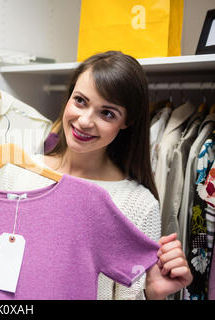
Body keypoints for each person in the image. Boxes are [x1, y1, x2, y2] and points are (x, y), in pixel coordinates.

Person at [40, 51, 192, 299]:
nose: (85, 120)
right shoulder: (19, 175)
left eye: (107, 113)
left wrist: (152, 295)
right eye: (80, 101)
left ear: (126, 122)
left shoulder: (138, 205)